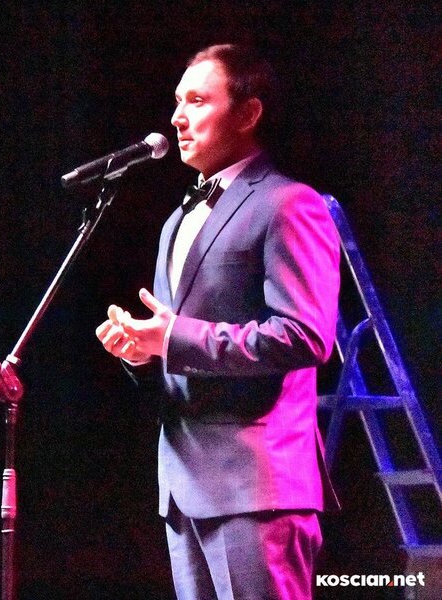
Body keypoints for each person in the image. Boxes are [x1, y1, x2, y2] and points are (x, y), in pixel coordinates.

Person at [96, 44, 340, 600]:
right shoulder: (175, 221)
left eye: (198, 101)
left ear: (248, 113)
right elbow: (177, 349)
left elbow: (305, 335)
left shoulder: (288, 203)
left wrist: (174, 338)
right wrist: (144, 350)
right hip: (183, 485)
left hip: (255, 486)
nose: (177, 118)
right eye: (177, 101)